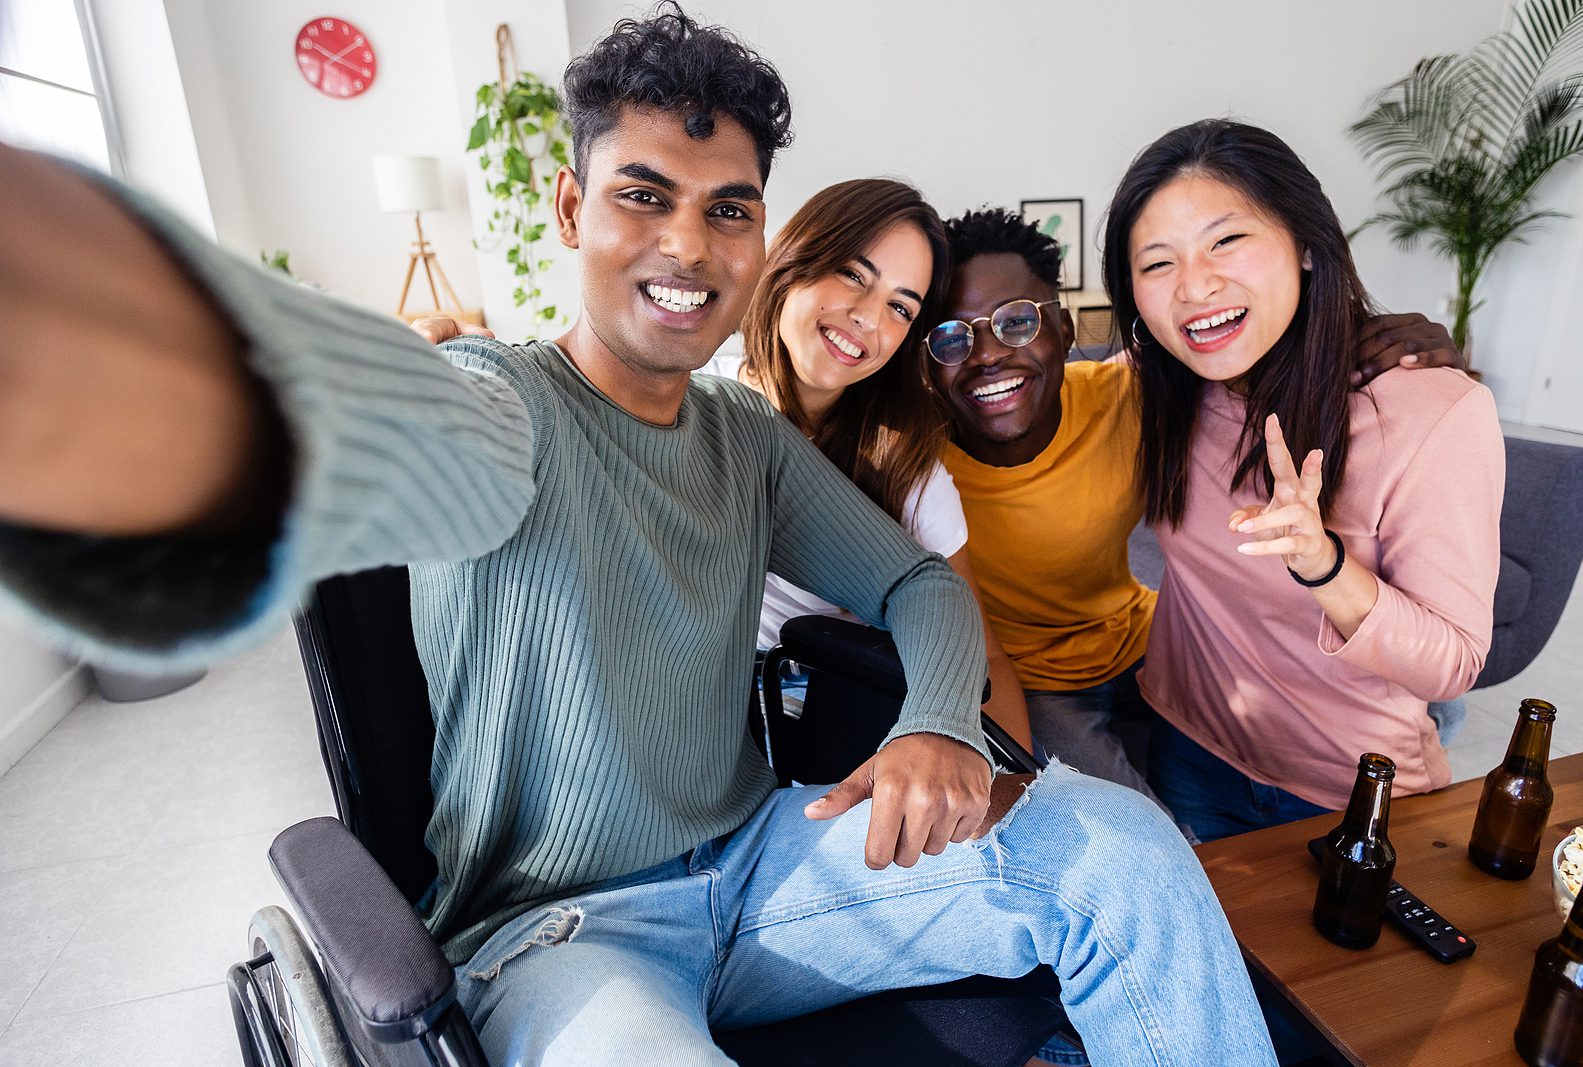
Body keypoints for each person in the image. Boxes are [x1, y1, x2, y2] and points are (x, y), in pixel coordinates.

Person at [0, 9, 1279, 1064]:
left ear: (760, 238)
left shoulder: (745, 434)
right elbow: (376, 409)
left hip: (768, 866)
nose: (687, 243)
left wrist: (936, 720)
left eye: (729, 209)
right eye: (644, 195)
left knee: (1122, 846)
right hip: (561, 937)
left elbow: (913, 581)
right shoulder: (500, 401)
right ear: (569, 207)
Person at [927, 208, 1464, 811]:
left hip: (1140, 634)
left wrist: (1393, 342)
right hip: (1037, 682)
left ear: (1067, 328)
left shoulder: (1130, 398)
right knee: (1135, 826)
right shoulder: (917, 464)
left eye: (1018, 322)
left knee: (1410, 691)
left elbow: (1242, 347)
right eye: (950, 336)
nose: (987, 355)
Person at [1101, 118, 1503, 842]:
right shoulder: (1158, 387)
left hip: (1349, 787)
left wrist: (1325, 565)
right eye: (1158, 263)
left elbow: (1453, 665)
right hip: (1190, 743)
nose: (1195, 285)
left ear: (1308, 245)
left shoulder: (1430, 412)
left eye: (1227, 240)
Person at [703, 177, 1031, 746]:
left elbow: (984, 660)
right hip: (688, 732)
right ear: (795, 260)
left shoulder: (905, 466)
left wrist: (1008, 791)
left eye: (901, 308)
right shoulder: (691, 403)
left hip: (836, 737)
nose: (867, 318)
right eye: (853, 275)